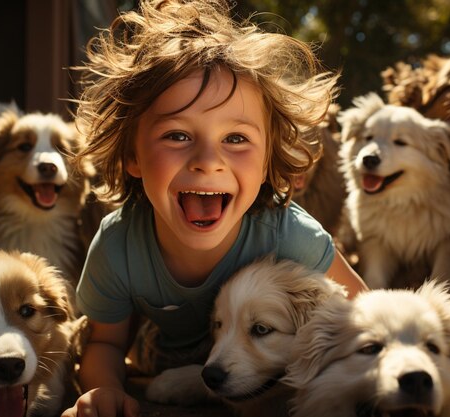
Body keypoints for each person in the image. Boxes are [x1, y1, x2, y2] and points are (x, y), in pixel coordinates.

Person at [62, 1, 368, 416]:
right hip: (163, 357)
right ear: (133, 157)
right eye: (177, 135)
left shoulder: (289, 234)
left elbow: (365, 314)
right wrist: (104, 389)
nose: (208, 160)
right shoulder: (118, 246)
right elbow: (105, 342)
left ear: (266, 163)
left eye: (236, 139)